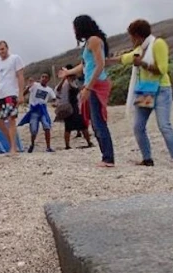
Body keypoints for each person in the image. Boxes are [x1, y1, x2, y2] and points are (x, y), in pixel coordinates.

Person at [106, 19, 173, 170]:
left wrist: (142, 63)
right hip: (145, 90)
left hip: (161, 89)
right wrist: (104, 61)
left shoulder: (158, 44)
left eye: (131, 36)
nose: (130, 39)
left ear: (136, 35)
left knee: (164, 125)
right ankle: (147, 158)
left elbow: (162, 69)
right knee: (138, 126)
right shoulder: (140, 49)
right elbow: (125, 58)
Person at [59, 15, 115, 168]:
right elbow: (84, 66)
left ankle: (108, 158)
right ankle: (106, 156)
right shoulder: (88, 43)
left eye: (75, 27)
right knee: (94, 122)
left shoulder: (94, 41)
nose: (74, 31)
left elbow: (100, 64)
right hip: (91, 83)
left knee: (98, 122)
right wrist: (68, 73)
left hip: (96, 84)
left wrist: (89, 87)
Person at [0, 40, 25, 155]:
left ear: (7, 48)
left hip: (11, 93)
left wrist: (21, 93)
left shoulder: (15, 58)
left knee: (11, 119)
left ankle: (13, 148)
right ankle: (12, 144)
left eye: (2, 49)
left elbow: (20, 76)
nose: (1, 51)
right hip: (0, 95)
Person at [55, 65, 94, 149]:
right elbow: (58, 90)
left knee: (71, 126)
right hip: (70, 106)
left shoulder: (72, 82)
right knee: (79, 125)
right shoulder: (67, 82)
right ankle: (87, 142)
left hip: (74, 106)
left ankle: (68, 145)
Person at [19, 72, 57, 153]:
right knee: (33, 130)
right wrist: (28, 87)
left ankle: (48, 147)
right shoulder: (35, 85)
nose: (43, 78)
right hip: (34, 110)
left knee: (47, 127)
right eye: (42, 76)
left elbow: (54, 98)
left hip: (43, 110)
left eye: (45, 77)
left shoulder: (49, 90)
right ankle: (32, 144)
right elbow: (25, 93)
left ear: (48, 79)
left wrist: (54, 103)